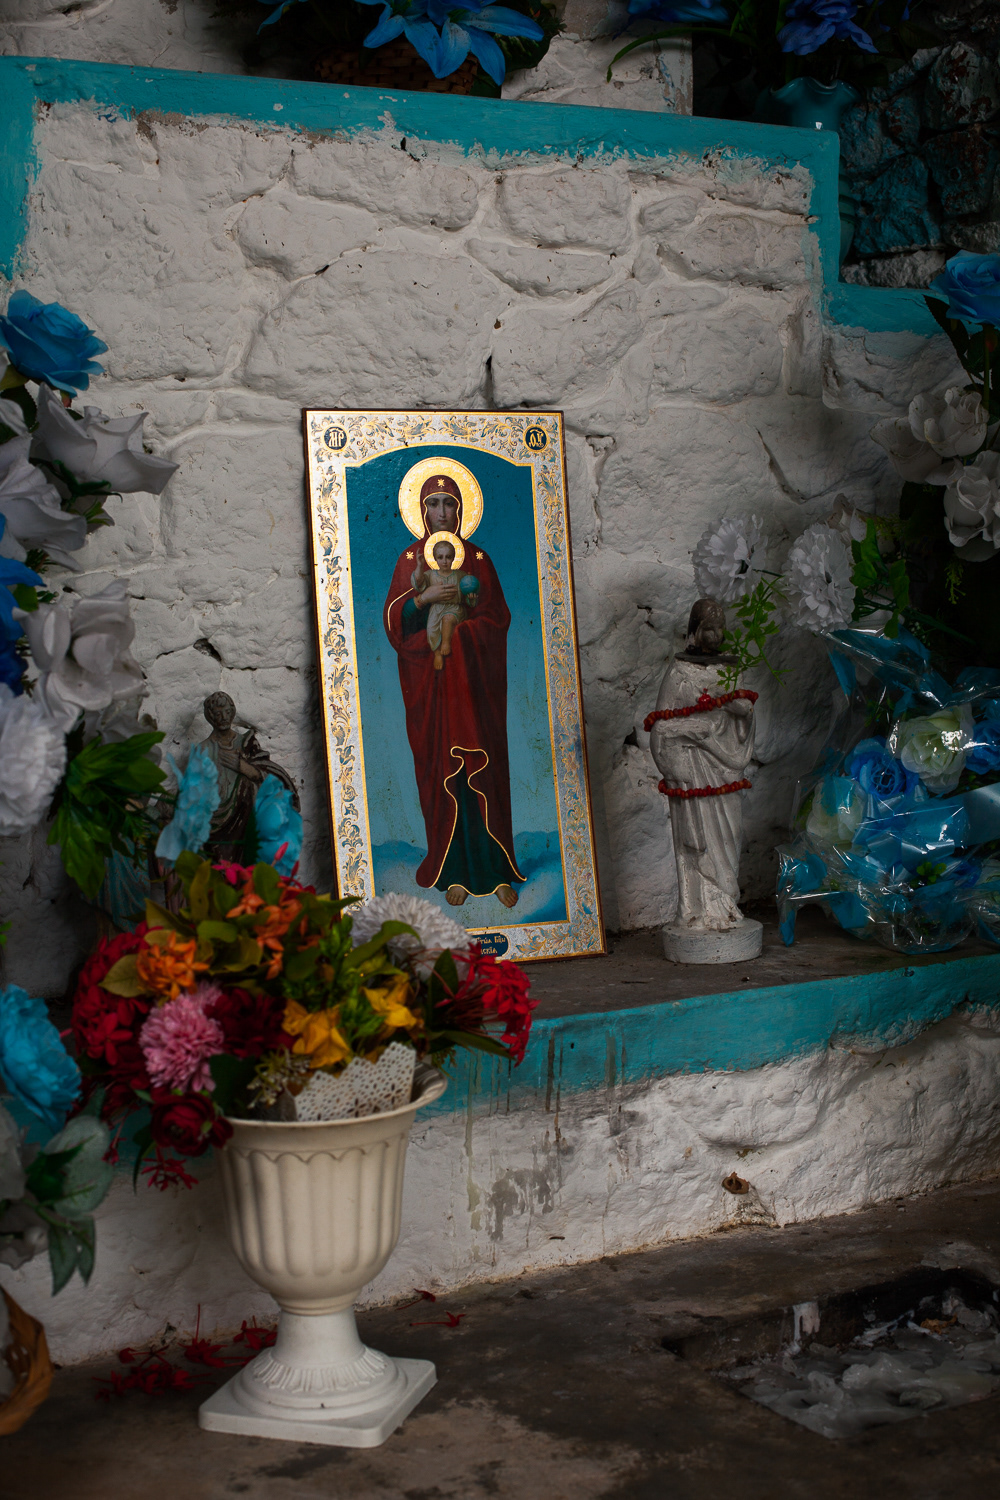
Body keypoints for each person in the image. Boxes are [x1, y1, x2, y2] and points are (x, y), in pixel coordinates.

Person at [383, 472, 523, 909]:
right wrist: (422, 602)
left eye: (449, 503)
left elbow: (497, 619)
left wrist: (462, 634)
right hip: (433, 690)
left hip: (473, 687)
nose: (441, 512)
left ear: (460, 509)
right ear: (422, 509)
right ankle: (453, 872)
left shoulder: (478, 559)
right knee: (445, 773)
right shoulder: (410, 560)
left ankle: (496, 872)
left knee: (482, 770)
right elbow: (396, 627)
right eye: (433, 504)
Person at [411, 536, 480, 671]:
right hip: (436, 610)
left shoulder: (461, 575)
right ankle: (437, 653)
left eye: (448, 557)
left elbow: (468, 598)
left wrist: (471, 598)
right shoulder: (430, 575)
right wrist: (419, 566)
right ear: (435, 559)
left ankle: (446, 643)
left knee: (448, 618)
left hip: (455, 609)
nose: (444, 561)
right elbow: (418, 583)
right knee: (432, 631)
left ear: (453, 558)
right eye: (440, 557)